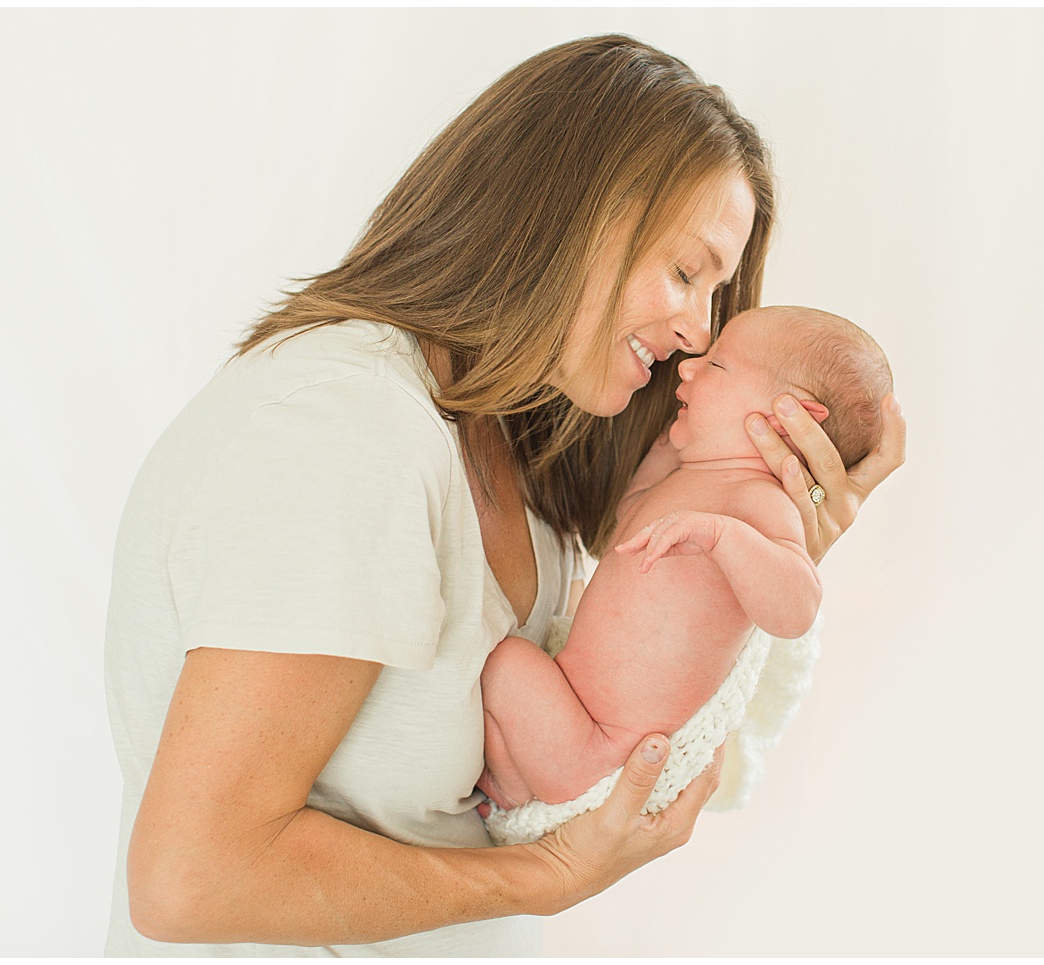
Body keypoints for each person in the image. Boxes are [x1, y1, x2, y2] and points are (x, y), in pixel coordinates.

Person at [103, 35, 905, 956]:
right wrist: (549, 880)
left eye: (715, 300)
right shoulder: (343, 428)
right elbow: (190, 880)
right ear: (566, 212)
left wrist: (774, 546)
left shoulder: (520, 442)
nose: (694, 334)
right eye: (686, 273)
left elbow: (637, 719)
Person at [477, 306, 891, 830]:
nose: (689, 367)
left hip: (602, 744)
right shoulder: (690, 479)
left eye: (717, 367)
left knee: (504, 660)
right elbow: (622, 531)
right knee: (512, 667)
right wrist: (657, 460)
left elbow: (797, 610)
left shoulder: (757, 504)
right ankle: (515, 783)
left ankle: (515, 785)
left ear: (792, 420)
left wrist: (723, 537)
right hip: (575, 719)